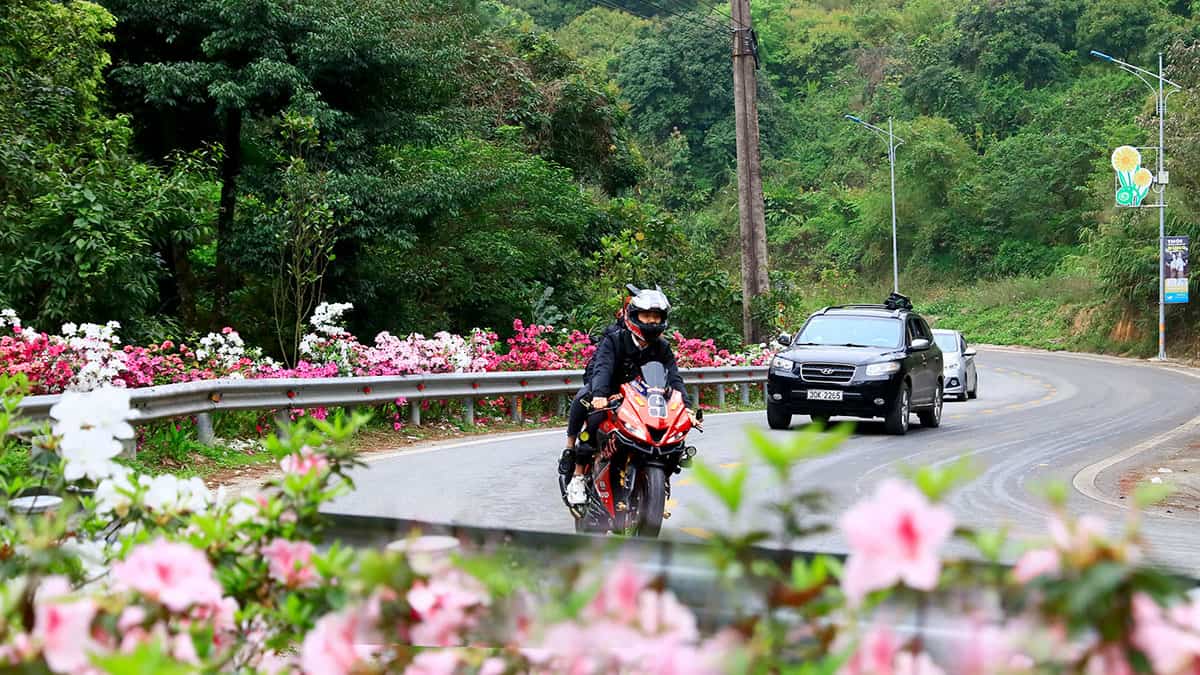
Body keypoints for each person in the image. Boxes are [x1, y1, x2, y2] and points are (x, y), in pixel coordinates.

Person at [559, 285, 698, 507]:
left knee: (673, 429)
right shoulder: (615, 340)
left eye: (657, 316)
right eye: (646, 315)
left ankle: (660, 478)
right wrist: (601, 395)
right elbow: (602, 368)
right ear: (634, 316)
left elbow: (674, 378)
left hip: (642, 398)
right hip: (610, 393)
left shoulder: (662, 347)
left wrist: (686, 407)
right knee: (589, 412)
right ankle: (575, 472)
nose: (652, 321)